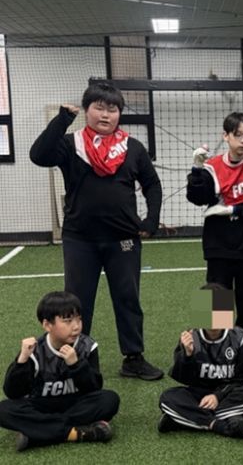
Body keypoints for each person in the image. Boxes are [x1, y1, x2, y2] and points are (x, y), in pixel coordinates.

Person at [30, 82, 164, 380]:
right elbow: (38, 155)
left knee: (128, 298)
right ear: (87, 110)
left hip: (123, 239)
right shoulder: (70, 144)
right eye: (99, 108)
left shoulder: (132, 148)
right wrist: (62, 120)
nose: (105, 115)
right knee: (77, 303)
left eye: (112, 109)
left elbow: (152, 184)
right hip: (80, 239)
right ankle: (77, 359)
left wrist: (151, 220)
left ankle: (133, 358)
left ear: (119, 113)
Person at [0, 292, 120, 452]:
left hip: (75, 404)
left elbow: (94, 389)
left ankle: (37, 433)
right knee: (4, 409)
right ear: (47, 325)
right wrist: (21, 360)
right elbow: (13, 393)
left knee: (109, 399)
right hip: (42, 405)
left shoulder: (87, 346)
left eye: (79, 319)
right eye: (68, 321)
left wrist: (76, 365)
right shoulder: (35, 350)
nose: (76, 326)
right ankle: (76, 433)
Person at [187, 112, 243, 335]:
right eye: (238, 135)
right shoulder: (211, 167)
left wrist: (233, 209)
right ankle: (211, 343)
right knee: (214, 296)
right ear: (225, 136)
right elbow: (196, 198)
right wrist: (196, 169)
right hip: (217, 245)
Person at [158, 284, 243, 440]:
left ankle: (183, 419)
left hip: (228, 395)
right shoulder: (190, 337)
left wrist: (217, 396)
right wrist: (187, 355)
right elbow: (183, 379)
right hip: (199, 395)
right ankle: (222, 424)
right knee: (167, 397)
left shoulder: (241, 339)